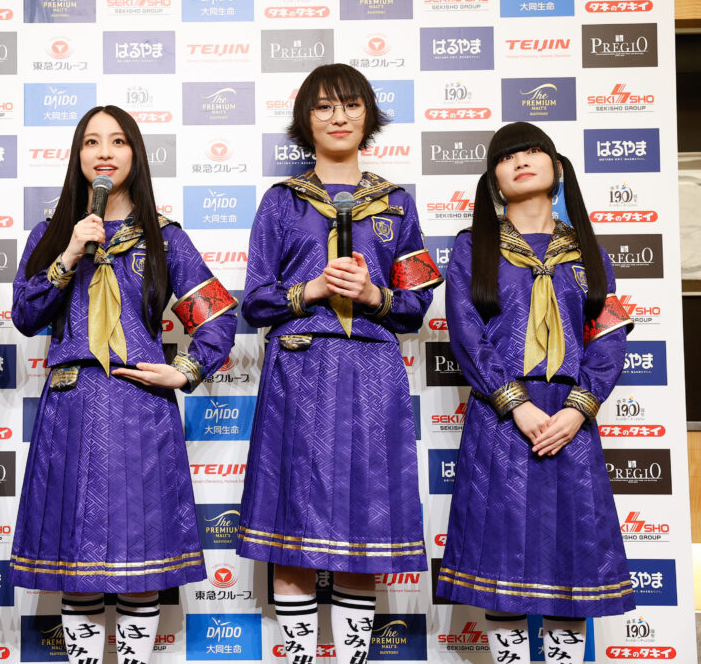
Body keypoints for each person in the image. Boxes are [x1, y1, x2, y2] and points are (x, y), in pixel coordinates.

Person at [10, 105, 237, 664]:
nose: (104, 152)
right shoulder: (51, 233)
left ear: (135, 154)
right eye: (91, 142)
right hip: (72, 407)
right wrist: (69, 253)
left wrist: (185, 370)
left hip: (141, 410)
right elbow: (25, 316)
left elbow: (217, 314)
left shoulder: (165, 237)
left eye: (117, 141)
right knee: (77, 565)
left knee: (141, 564)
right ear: (77, 156)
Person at [235, 64, 440, 664]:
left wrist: (374, 294)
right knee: (292, 533)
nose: (339, 117)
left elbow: (416, 305)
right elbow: (254, 301)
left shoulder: (397, 204)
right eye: (323, 107)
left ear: (368, 116)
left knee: (363, 532)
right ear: (306, 121)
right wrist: (314, 290)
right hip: (298, 373)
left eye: (351, 105)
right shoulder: (281, 202)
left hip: (373, 374)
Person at [436, 121, 635, 663]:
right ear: (493, 180)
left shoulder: (591, 253)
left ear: (558, 168)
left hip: (571, 422)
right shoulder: (473, 247)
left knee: (572, 565)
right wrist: (516, 403)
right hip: (501, 420)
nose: (521, 161)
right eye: (506, 157)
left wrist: (579, 409)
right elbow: (467, 332)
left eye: (532, 151)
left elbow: (609, 339)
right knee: (501, 568)